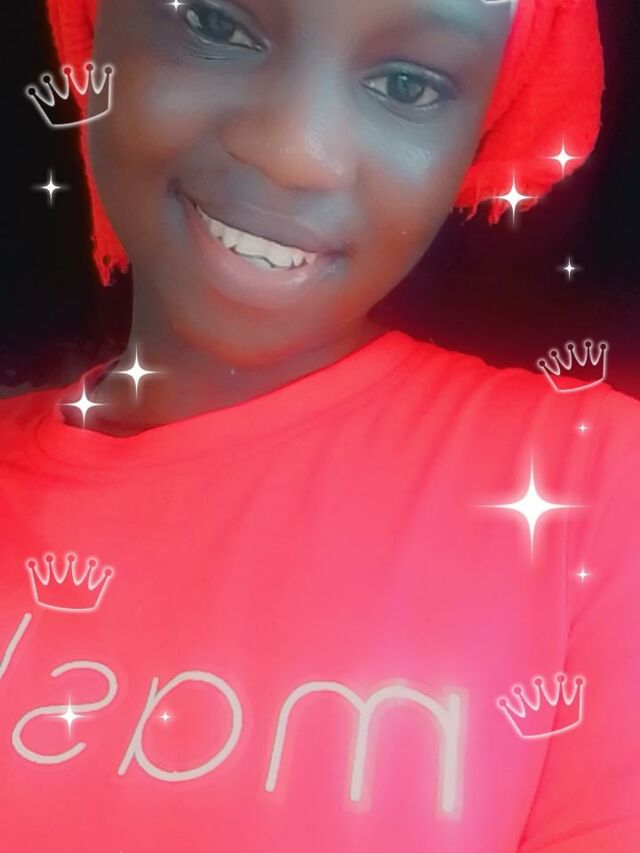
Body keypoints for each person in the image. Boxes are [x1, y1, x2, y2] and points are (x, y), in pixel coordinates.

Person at [1, 0, 638, 850]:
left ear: (483, 132)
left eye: (407, 84)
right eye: (216, 25)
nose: (292, 151)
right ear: (92, 29)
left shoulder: (593, 490)